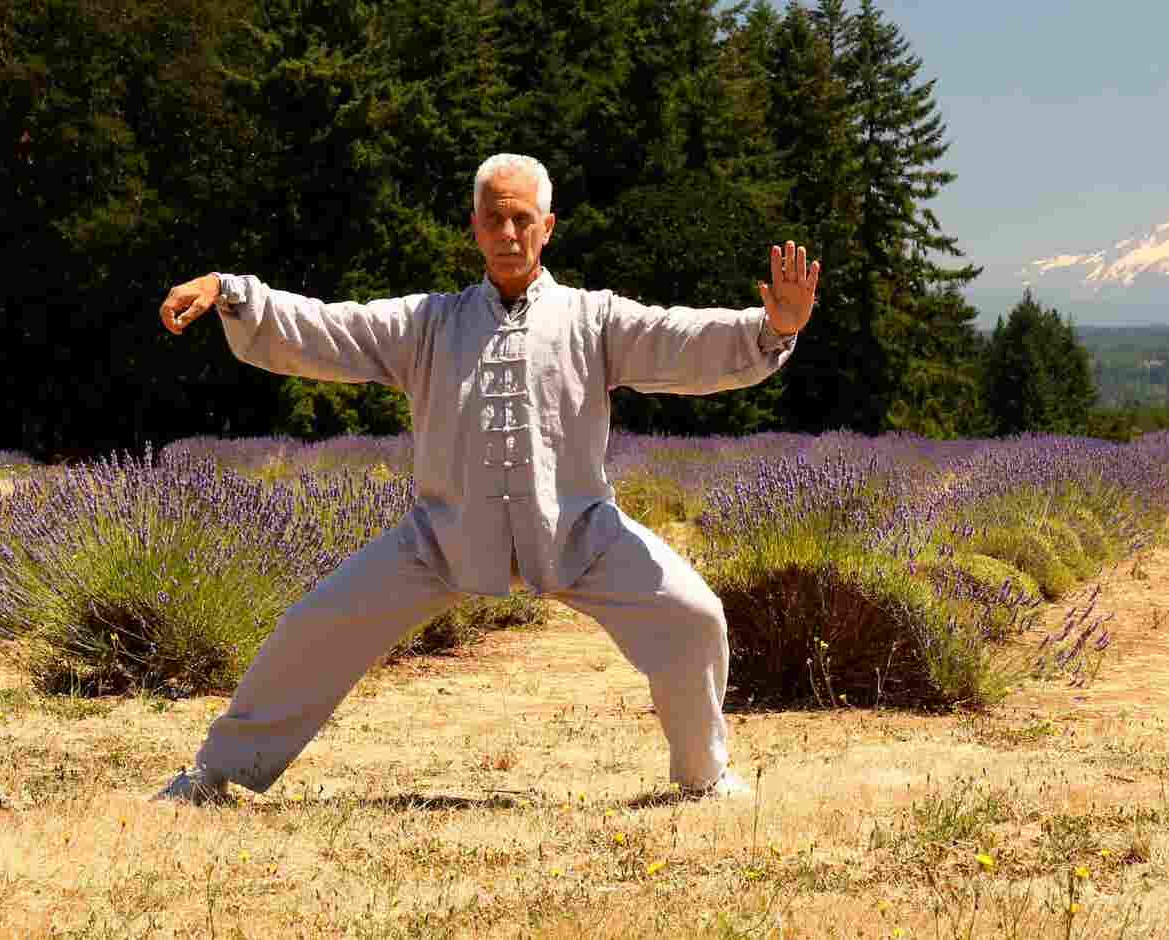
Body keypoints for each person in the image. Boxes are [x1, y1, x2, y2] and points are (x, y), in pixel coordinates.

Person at [153, 153, 820, 805]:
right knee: (314, 624)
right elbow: (327, 327)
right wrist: (230, 289)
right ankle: (215, 771)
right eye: (494, 220)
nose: (508, 234)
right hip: (443, 536)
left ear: (548, 226)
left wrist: (772, 328)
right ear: (474, 226)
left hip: (577, 532)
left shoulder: (594, 320)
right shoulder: (427, 324)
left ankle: (704, 777)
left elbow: (681, 339)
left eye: (523, 219)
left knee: (693, 616)